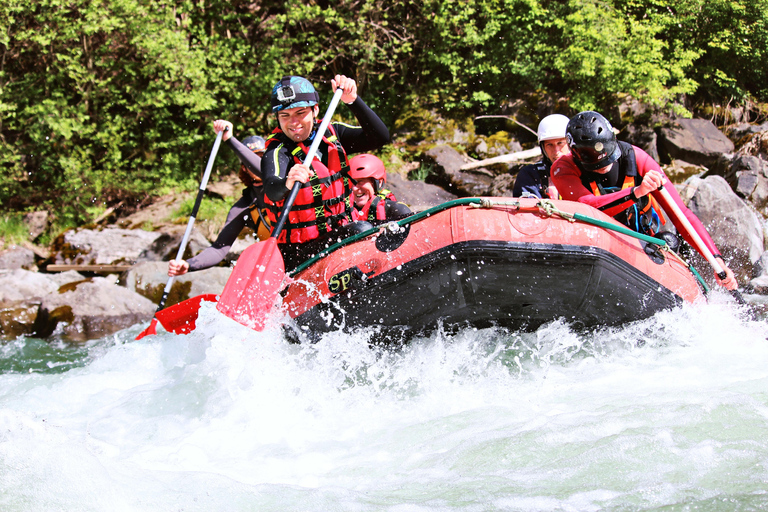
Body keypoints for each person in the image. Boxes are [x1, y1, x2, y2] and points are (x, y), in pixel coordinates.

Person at [550, 110, 738, 290]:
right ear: (575, 154)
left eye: (608, 160)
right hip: (598, 242)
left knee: (668, 241)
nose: (604, 167)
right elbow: (587, 207)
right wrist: (635, 192)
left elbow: (681, 214)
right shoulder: (562, 168)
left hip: (642, 241)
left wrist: (716, 259)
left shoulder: (637, 157)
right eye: (596, 164)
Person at [262, 74, 390, 271]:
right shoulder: (278, 151)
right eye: (285, 115)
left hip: (341, 230)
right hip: (300, 253)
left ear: (315, 110)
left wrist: (353, 101)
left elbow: (380, 137)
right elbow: (272, 189)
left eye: (300, 112)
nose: (293, 122)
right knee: (362, 230)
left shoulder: (333, 133)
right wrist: (287, 182)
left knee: (395, 211)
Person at [167, 130, 270, 277]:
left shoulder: (287, 185)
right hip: (277, 263)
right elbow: (218, 249)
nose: (255, 163)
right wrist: (188, 264)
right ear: (243, 168)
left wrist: (230, 140)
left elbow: (264, 171)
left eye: (261, 158)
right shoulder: (244, 207)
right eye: (250, 160)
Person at [513, 113, 570, 199]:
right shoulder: (529, 175)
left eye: (560, 143)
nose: (556, 151)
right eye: (549, 145)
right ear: (543, 148)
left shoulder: (585, 172)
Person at [348, 153, 412, 222]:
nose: (354, 188)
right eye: (351, 183)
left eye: (360, 182)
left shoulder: (397, 210)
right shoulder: (345, 213)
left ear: (379, 182)